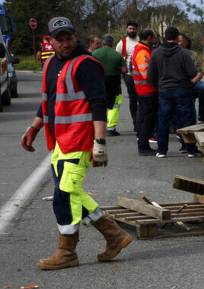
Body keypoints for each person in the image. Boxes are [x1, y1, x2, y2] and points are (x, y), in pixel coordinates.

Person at [20, 16, 133, 270]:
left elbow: (98, 103)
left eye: (68, 38)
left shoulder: (86, 65)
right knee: (71, 191)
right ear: (50, 41)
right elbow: (47, 102)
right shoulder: (50, 65)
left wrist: (100, 142)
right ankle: (114, 235)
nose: (65, 43)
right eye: (59, 39)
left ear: (75, 37)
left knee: (64, 195)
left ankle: (67, 251)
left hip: (81, 140)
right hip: (60, 140)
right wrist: (34, 128)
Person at [148, 26, 201, 158]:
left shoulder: (155, 53)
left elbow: (151, 77)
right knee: (186, 119)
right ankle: (190, 149)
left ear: (165, 37)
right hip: (182, 90)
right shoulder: (183, 54)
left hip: (164, 91)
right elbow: (192, 73)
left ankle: (161, 150)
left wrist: (159, 86)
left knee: (163, 119)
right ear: (178, 38)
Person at [91, 35, 126, 136]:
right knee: (115, 104)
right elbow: (124, 70)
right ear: (112, 43)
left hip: (99, 82)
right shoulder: (117, 55)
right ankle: (111, 128)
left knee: (99, 104)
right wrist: (117, 68)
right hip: (114, 83)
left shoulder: (95, 53)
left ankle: (97, 127)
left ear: (103, 43)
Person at [132, 29, 158, 156]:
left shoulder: (141, 49)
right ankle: (144, 147)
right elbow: (146, 74)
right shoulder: (142, 52)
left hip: (143, 91)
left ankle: (144, 145)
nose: (154, 40)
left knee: (144, 118)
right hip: (147, 91)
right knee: (147, 120)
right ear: (149, 38)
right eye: (153, 38)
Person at [178, 33, 204, 122]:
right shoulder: (171, 54)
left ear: (186, 42)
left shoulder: (192, 54)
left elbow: (200, 71)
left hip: (192, 81)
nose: (179, 44)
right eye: (178, 41)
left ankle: (202, 116)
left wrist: (193, 81)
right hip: (178, 83)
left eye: (181, 41)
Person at [116, 21, 140, 132]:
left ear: (136, 30)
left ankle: (142, 121)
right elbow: (116, 57)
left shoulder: (140, 41)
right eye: (130, 28)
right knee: (133, 99)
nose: (131, 30)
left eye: (133, 29)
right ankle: (136, 122)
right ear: (127, 29)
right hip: (129, 75)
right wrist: (121, 67)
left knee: (143, 99)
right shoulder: (122, 42)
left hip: (141, 75)